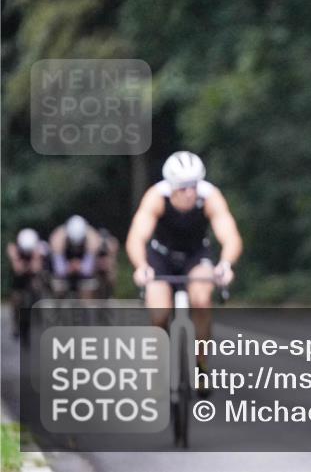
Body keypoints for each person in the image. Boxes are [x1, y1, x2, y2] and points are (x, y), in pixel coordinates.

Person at [126, 151, 242, 391]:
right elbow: (136, 237)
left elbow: (230, 235)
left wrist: (226, 264)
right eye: (182, 187)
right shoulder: (156, 197)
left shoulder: (209, 196)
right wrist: (141, 266)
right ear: (171, 185)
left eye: (193, 185)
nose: (189, 192)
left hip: (196, 254)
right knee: (159, 312)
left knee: (202, 300)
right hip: (161, 256)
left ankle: (201, 365)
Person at [6, 228, 49, 336]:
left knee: (38, 287)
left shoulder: (40, 248)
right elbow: (18, 269)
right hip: (19, 280)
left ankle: (39, 318)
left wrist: (33, 260)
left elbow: (36, 268)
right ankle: (16, 323)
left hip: (34, 277)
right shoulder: (13, 248)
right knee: (16, 298)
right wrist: (23, 265)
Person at [48, 215, 101, 299]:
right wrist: (69, 268)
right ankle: (60, 306)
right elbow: (59, 270)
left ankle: (87, 307)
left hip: (84, 275)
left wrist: (79, 267)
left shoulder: (93, 240)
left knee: (88, 287)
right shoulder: (57, 239)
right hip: (65, 274)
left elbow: (88, 270)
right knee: (58, 287)